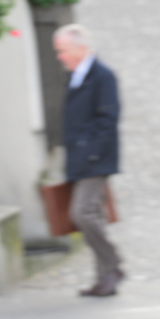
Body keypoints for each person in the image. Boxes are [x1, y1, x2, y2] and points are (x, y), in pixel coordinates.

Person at [54, 24, 125, 296]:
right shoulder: (74, 75)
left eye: (63, 50)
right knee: (94, 215)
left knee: (81, 213)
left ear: (81, 48)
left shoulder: (102, 76)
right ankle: (104, 279)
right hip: (80, 157)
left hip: (95, 158)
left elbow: (108, 119)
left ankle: (114, 263)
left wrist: (92, 152)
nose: (60, 56)